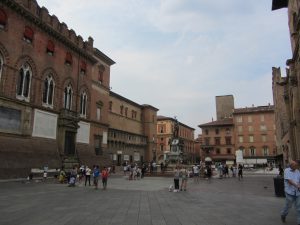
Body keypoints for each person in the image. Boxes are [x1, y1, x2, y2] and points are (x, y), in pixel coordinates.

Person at [281, 160, 300, 224]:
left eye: (295, 165)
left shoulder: (298, 172)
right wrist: (297, 185)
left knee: (299, 208)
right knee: (288, 206)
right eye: (292, 164)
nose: (292, 165)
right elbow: (289, 181)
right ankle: (283, 215)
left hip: (297, 193)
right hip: (289, 193)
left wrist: (299, 185)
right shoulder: (286, 170)